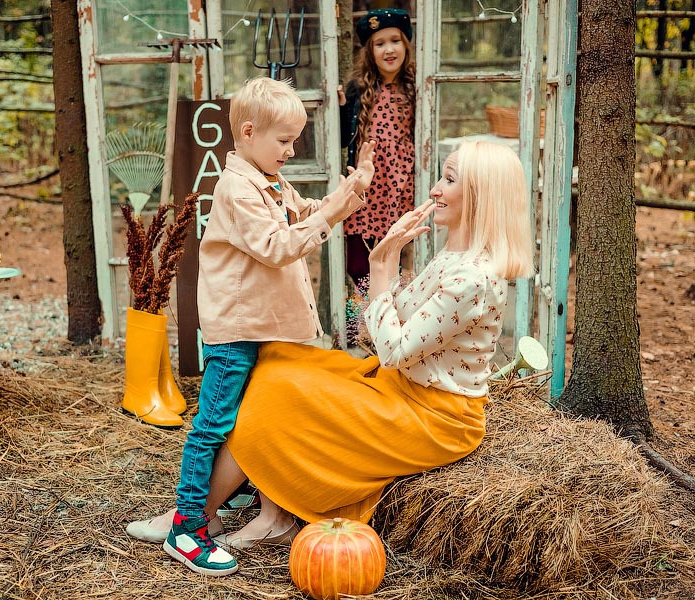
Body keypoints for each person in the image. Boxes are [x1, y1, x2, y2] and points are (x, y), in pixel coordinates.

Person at [210, 140, 534, 548]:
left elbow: (393, 349)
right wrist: (387, 267)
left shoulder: (475, 278)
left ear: (481, 196)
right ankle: (272, 513)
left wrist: (382, 267)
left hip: (435, 416)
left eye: (448, 180)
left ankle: (197, 515)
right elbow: (390, 321)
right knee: (279, 359)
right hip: (399, 387)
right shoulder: (452, 258)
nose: (434, 190)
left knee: (280, 390)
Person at [124, 77, 376, 577]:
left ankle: (208, 512)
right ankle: (187, 529)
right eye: (284, 140)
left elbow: (306, 213)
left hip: (264, 328)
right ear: (247, 132)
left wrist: (350, 192)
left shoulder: (269, 180)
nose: (292, 149)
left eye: (295, 139)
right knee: (212, 426)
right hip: (237, 332)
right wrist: (330, 210)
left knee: (248, 421)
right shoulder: (237, 187)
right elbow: (277, 245)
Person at [338, 8, 417, 287]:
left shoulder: (415, 86)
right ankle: (362, 320)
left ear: (405, 44)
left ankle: (390, 313)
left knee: (394, 254)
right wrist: (340, 107)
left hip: (401, 184)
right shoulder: (357, 88)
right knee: (358, 262)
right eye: (379, 44)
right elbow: (341, 134)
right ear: (369, 52)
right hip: (368, 183)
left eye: (395, 41)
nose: (389, 50)